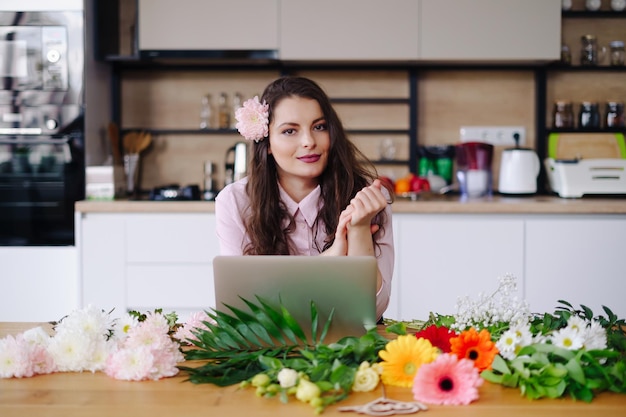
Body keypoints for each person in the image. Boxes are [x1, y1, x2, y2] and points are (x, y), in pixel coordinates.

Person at [215, 76, 394, 320]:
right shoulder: (235, 202)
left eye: (319, 127)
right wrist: (330, 259)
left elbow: (370, 314)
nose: (309, 142)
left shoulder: (368, 198)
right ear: (266, 143)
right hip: (266, 348)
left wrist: (360, 230)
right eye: (290, 131)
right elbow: (245, 311)